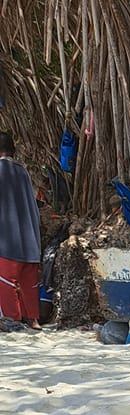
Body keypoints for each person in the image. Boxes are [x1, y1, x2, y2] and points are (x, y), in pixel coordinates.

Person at [0, 131, 42, 331]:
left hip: (7, 240)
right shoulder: (22, 171)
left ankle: (12, 320)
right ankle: (33, 320)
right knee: (29, 284)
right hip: (29, 240)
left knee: (6, 281)